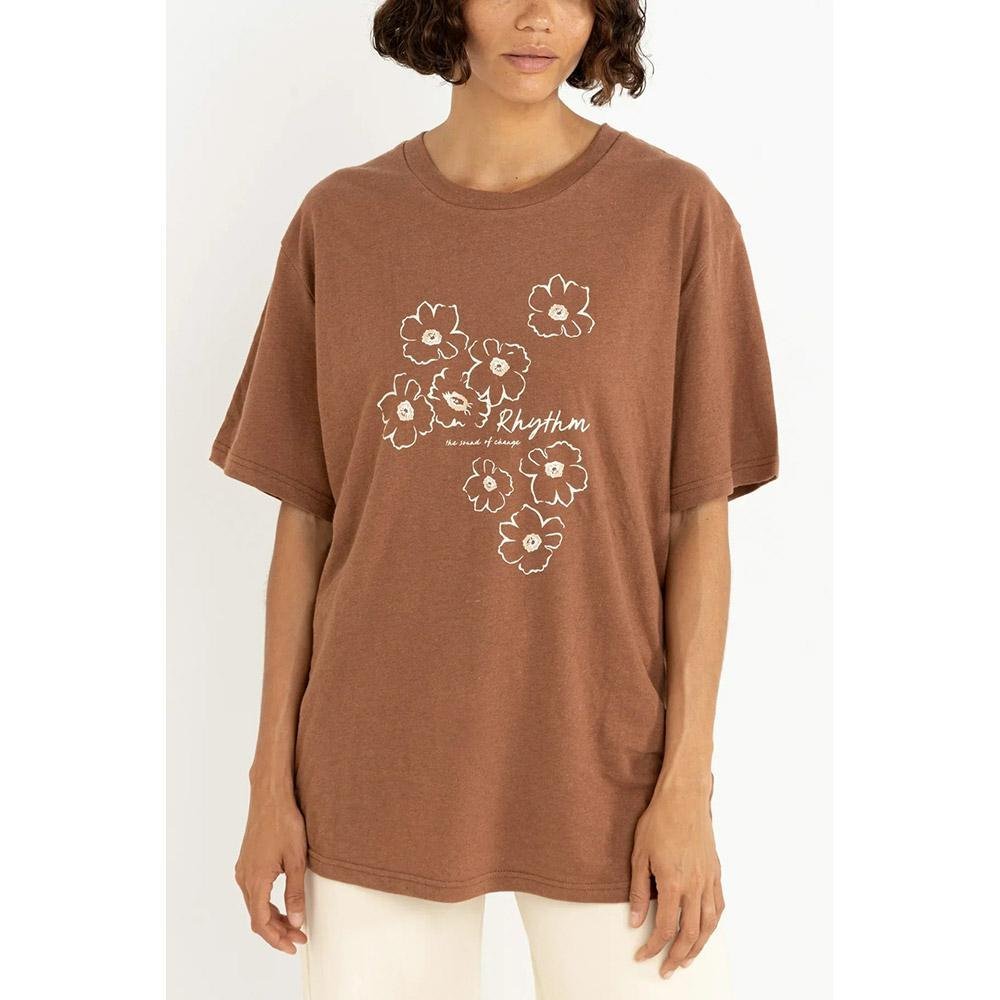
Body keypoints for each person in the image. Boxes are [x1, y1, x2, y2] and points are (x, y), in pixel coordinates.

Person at [209, 1, 778, 996]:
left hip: (608, 766)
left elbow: (700, 521)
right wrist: (270, 785)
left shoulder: (675, 215)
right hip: (377, 761)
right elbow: (307, 525)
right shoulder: (341, 222)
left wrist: (687, 785)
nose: (538, 16)